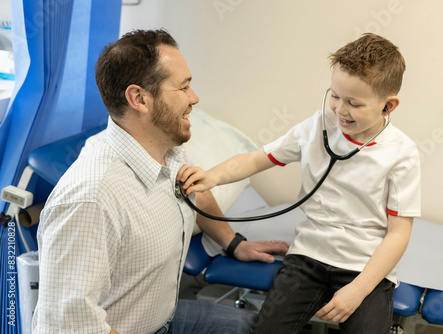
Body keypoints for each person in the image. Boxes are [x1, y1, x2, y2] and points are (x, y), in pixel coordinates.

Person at [32, 29, 289, 334]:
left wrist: (233, 243)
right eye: (183, 87)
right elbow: (72, 327)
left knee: (272, 328)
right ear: (139, 98)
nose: (194, 98)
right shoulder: (92, 199)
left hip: (164, 317)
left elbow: (195, 188)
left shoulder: (165, 146)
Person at [177, 33, 421, 334]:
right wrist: (212, 176)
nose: (340, 110)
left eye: (354, 103)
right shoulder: (317, 126)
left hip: (365, 266)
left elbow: (399, 235)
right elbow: (256, 159)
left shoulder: (402, 154)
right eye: (334, 95)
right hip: (308, 256)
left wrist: (357, 291)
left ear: (389, 105)